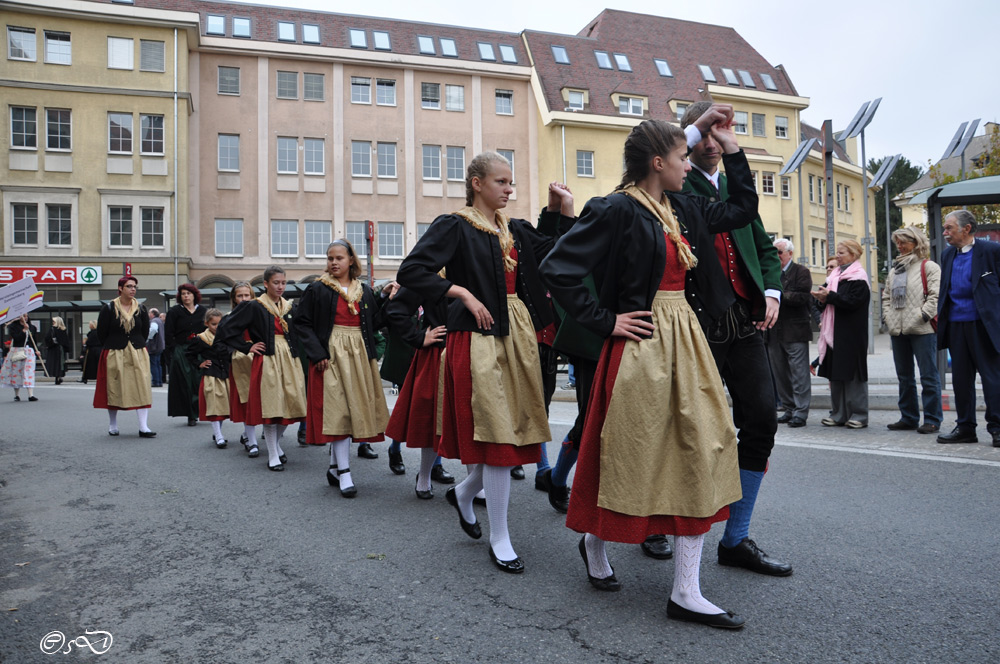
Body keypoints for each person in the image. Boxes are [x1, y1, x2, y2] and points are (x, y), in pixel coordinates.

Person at [541, 116, 753, 629]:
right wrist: (605, 320)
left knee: (701, 446)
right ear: (659, 163)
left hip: (686, 336)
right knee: (634, 452)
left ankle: (686, 590)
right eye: (683, 156)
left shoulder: (681, 207)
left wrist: (731, 147)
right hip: (641, 346)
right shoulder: (614, 209)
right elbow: (558, 268)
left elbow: (743, 208)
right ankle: (595, 542)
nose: (690, 164)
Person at [398, 151, 561, 574]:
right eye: (501, 182)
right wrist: (462, 294)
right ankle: (500, 537)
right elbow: (413, 270)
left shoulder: (515, 229)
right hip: (476, 340)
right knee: (496, 438)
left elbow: (558, 252)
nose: (509, 189)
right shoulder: (454, 225)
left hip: (516, 335)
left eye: (511, 183)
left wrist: (561, 210)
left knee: (508, 435)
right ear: (476, 183)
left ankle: (464, 493)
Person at [674, 101, 789, 576]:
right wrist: (693, 131)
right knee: (686, 429)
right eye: (709, 134)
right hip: (694, 321)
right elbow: (648, 159)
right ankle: (664, 524)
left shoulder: (734, 187)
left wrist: (771, 289)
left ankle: (735, 538)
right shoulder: (674, 185)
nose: (717, 143)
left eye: (724, 134)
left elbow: (761, 244)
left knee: (762, 421)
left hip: (743, 322)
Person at [293, 240, 392, 497]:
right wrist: (318, 353)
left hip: (359, 355)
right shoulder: (318, 289)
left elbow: (375, 323)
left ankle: (336, 467)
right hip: (332, 354)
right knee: (339, 411)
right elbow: (301, 323)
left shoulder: (365, 290)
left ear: (351, 260)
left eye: (338, 258)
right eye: (329, 258)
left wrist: (385, 298)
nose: (333, 262)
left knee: (352, 410)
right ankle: (345, 473)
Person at [216, 266, 306, 471]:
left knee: (291, 405)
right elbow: (225, 328)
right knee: (272, 408)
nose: (280, 286)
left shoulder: (289, 307)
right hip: (268, 360)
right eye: (276, 282)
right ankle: (273, 454)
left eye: (283, 282)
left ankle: (276, 445)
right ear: (266, 284)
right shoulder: (255, 306)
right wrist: (248, 346)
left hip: (289, 360)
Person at [935, 210, 1000, 446]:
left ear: (967, 229)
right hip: (956, 325)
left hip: (984, 325)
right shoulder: (947, 255)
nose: (945, 233)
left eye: (949, 228)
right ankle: (965, 428)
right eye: (945, 228)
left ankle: (997, 427)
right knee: (961, 380)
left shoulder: (992, 251)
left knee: (992, 378)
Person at [382, 282, 454, 494]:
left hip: (467, 348)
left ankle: (465, 480)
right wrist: (419, 337)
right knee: (423, 414)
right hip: (429, 353)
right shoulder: (426, 271)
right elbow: (395, 312)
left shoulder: (472, 264)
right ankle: (411, 462)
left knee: (461, 415)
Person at [881, 226, 942, 435]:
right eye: (897, 242)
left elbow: (935, 296)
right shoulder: (895, 269)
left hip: (922, 329)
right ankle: (908, 417)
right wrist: (888, 318)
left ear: (916, 243)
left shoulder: (929, 267)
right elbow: (886, 297)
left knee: (928, 376)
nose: (900, 246)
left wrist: (922, 315)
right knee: (904, 377)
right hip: (898, 330)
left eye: (904, 241)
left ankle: (932, 419)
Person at [812, 239, 870, 429]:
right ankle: (838, 413)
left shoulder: (859, 278)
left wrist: (829, 297)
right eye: (837, 252)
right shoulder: (834, 276)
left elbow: (852, 303)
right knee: (835, 374)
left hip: (851, 333)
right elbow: (825, 302)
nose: (838, 255)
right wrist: (821, 299)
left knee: (853, 375)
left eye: (842, 252)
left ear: (853, 255)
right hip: (833, 331)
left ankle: (859, 415)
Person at [93, 276, 155, 437]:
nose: (133, 289)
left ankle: (143, 426)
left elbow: (145, 331)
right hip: (115, 352)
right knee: (114, 387)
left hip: (137, 351)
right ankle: (113, 425)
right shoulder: (108, 308)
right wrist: (114, 344)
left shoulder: (141, 309)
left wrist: (136, 343)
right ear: (120, 288)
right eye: (129, 286)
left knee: (141, 386)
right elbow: (101, 333)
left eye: (135, 286)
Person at [768, 239, 814, 428]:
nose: (776, 256)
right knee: (780, 373)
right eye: (774, 252)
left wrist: (776, 295)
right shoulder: (770, 272)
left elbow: (802, 297)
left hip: (795, 331)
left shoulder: (801, 272)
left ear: (789, 253)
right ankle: (788, 408)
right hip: (774, 331)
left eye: (779, 252)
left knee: (799, 373)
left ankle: (800, 412)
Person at [186, 308, 231, 449]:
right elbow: (189, 354)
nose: (217, 327)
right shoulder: (200, 339)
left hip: (227, 374)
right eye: (213, 324)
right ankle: (218, 435)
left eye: (219, 323)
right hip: (211, 375)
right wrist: (200, 363)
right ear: (206, 323)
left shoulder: (226, 337)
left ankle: (218, 432)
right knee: (214, 405)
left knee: (224, 406)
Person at [226, 282, 260, 457]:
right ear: (234, 298)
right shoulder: (229, 317)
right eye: (240, 296)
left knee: (262, 400)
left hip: (260, 360)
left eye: (247, 295)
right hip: (240, 362)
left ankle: (249, 434)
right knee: (247, 400)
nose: (244, 299)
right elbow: (223, 340)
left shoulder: (260, 314)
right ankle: (252, 440)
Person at [166, 284, 206, 426]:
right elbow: (169, 333)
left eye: (188, 293)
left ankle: (201, 410)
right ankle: (191, 415)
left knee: (199, 381)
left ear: (194, 295)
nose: (186, 296)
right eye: (183, 294)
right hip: (182, 350)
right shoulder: (175, 311)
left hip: (199, 350)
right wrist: (174, 351)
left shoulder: (202, 311)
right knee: (186, 382)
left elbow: (208, 331)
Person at [1, 315, 38, 401]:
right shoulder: (13, 327)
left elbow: (34, 340)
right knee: (17, 373)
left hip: (29, 352)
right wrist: (23, 330)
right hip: (18, 351)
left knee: (29, 373)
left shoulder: (32, 327)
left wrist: (37, 350)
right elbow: (16, 339)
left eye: (26, 316)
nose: (25, 318)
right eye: (23, 316)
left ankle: (30, 395)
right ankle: (16, 394)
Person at [44, 317, 71, 385]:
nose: (52, 322)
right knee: (60, 363)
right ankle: (59, 376)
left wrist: (49, 345)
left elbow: (47, 338)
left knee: (54, 363)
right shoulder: (63, 330)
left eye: (53, 321)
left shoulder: (52, 329)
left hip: (53, 348)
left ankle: (57, 376)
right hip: (60, 349)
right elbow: (66, 341)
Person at [147, 308, 165, 387]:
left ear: (152, 314)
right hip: (160, 346)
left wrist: (148, 337)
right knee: (158, 364)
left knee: (154, 364)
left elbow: (153, 330)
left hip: (154, 346)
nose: (148, 314)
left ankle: (155, 381)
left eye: (149, 313)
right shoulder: (160, 321)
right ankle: (159, 381)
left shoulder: (154, 321)